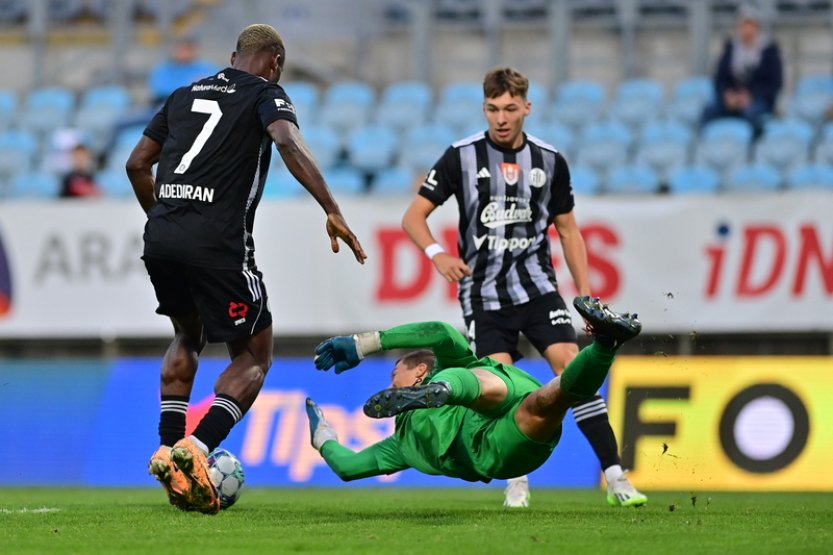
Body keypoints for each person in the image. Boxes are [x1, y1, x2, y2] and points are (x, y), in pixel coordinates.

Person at [125, 23, 367, 514]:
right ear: (274, 61)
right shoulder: (267, 93)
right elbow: (287, 143)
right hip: (218, 244)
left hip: (163, 236)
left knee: (187, 335)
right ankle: (197, 446)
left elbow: (136, 164)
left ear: (235, 55)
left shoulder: (182, 94)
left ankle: (167, 447)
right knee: (255, 354)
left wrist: (166, 220)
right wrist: (331, 208)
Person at [400, 66, 645, 508]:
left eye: (510, 108)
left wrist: (587, 299)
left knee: (573, 371)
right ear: (484, 109)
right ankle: (518, 481)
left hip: (538, 290)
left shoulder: (550, 161)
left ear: (527, 107)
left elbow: (569, 232)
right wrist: (438, 254)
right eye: (493, 108)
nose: (501, 117)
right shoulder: (461, 156)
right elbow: (413, 217)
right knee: (501, 387)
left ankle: (616, 477)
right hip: (484, 296)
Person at [306, 297, 642, 494]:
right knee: (548, 401)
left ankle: (606, 340)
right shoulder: (399, 445)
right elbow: (349, 467)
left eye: (396, 378)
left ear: (419, 372)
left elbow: (440, 332)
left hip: (488, 394)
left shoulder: (441, 371)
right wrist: (323, 436)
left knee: (468, 373)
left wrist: (363, 343)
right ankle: (604, 346)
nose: (392, 385)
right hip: (495, 444)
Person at [700, 3, 783, 136]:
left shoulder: (769, 52)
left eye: (750, 24)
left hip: (757, 100)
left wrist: (751, 96)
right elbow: (719, 79)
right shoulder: (731, 50)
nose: (747, 29)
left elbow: (775, 84)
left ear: (758, 27)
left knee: (752, 115)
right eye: (743, 24)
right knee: (708, 113)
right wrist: (728, 96)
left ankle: (753, 150)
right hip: (732, 99)